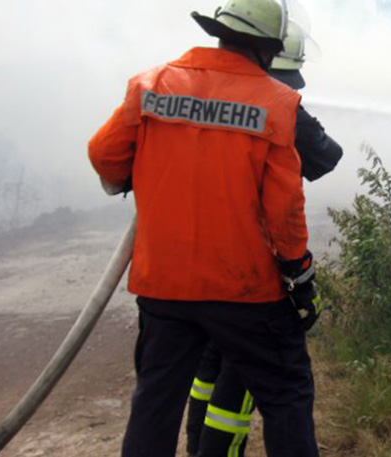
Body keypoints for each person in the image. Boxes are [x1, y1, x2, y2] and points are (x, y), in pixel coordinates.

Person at [87, 1, 323, 455]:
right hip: (245, 290)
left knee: (155, 401)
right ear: (269, 49)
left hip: (164, 287)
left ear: (221, 33)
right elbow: (285, 210)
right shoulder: (277, 103)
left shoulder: (150, 85)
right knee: (286, 392)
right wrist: (298, 274)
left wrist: (150, 173)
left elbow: (104, 155)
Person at [185, 24, 342, 457]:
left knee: (209, 365)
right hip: (250, 276)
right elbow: (324, 159)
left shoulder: (200, 95)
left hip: (198, 268)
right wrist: (299, 275)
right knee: (272, 378)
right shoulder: (275, 104)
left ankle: (198, 447)